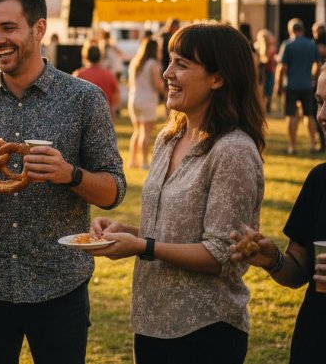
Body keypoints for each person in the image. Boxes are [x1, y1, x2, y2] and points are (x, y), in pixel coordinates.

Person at [0, 0, 125, 364]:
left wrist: (69, 175)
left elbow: (114, 190)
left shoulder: (84, 100)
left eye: (8, 28)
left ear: (39, 29)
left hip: (60, 283)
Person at [88, 23, 266, 364]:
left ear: (218, 78)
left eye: (182, 64)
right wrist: (128, 233)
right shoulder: (167, 140)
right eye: (169, 61)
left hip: (205, 329)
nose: (168, 72)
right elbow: (176, 237)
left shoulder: (232, 151)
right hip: (153, 322)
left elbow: (221, 254)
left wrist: (143, 246)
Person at [229, 66, 326, 364]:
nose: (321, 115)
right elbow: (298, 270)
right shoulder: (319, 180)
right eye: (320, 102)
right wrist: (273, 260)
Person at [276, 18, 321, 155]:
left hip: (291, 85)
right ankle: (313, 144)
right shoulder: (311, 44)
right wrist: (313, 77)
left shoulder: (287, 45)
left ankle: (292, 146)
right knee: (309, 115)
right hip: (307, 85)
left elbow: (281, 67)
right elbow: (318, 64)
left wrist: (278, 85)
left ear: (291, 30)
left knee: (291, 115)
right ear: (303, 29)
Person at [127, 37, 165, 170]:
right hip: (148, 99)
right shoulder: (153, 63)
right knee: (146, 132)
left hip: (134, 99)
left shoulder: (135, 62)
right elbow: (156, 85)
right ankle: (144, 161)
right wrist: (163, 87)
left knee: (137, 131)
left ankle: (132, 160)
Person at [73, 45, 119, 116]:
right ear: (100, 57)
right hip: (104, 115)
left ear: (85, 57)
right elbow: (116, 96)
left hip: (84, 117)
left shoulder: (78, 75)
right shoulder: (109, 75)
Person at [254, 29, 277, 113]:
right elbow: (263, 60)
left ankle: (265, 108)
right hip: (261, 72)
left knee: (267, 91)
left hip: (268, 72)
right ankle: (262, 108)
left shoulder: (271, 48)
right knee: (261, 91)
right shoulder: (257, 47)